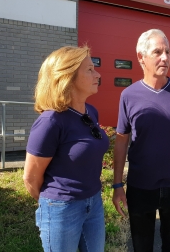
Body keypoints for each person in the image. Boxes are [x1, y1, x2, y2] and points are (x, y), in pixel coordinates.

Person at [112, 29, 170, 252]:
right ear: (141, 57)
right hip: (140, 186)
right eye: (157, 52)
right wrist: (117, 185)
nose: (165, 58)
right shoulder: (129, 95)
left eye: (168, 52)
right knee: (142, 247)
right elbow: (121, 141)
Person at [23, 46, 109, 252]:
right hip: (62, 209)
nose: (97, 74)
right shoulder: (50, 121)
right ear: (67, 76)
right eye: (89, 70)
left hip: (94, 203)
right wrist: (55, 203)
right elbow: (31, 178)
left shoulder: (91, 112)